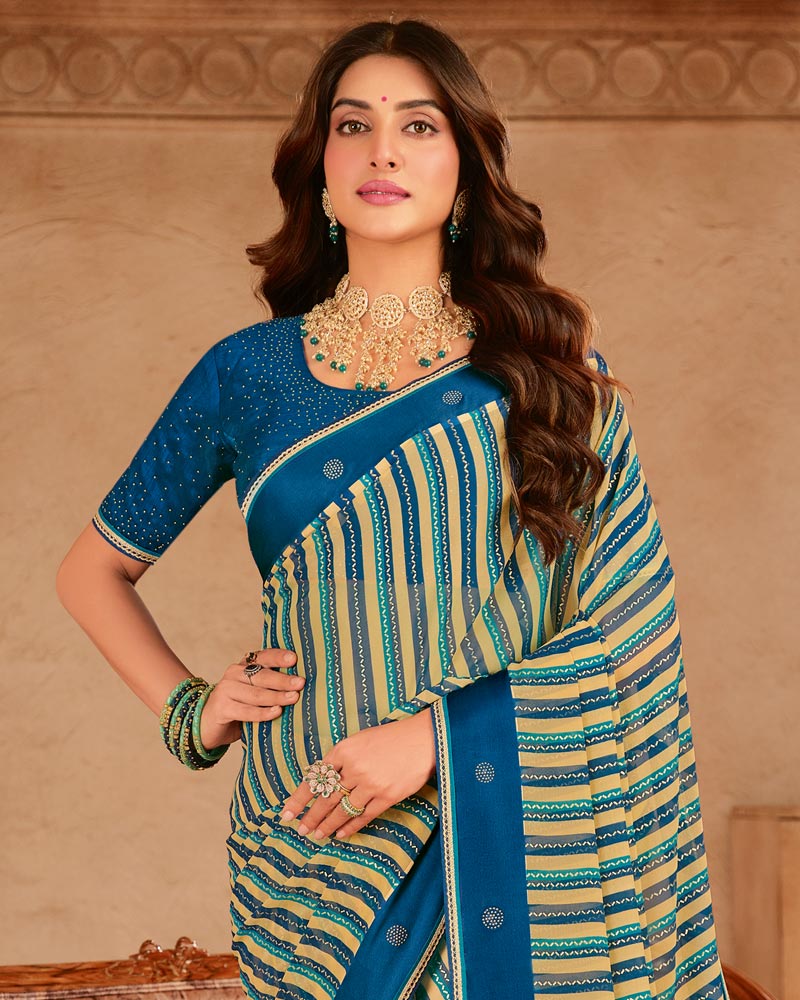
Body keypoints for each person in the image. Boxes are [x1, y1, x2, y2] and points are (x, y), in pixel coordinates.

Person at [56, 18, 729, 1000]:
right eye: (352, 125)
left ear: (465, 170)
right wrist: (192, 709)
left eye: (418, 125)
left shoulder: (550, 378)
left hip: (516, 829)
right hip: (314, 844)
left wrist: (437, 739)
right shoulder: (248, 374)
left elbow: (629, 629)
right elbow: (91, 572)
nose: (382, 150)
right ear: (319, 169)